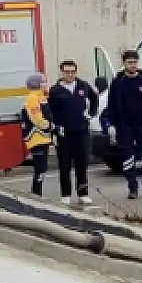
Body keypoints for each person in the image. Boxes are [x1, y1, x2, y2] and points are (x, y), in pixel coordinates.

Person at [107, 49, 142, 200]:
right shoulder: (118, 82)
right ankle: (132, 188)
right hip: (124, 125)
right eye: (129, 62)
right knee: (128, 157)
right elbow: (111, 104)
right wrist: (111, 124)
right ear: (124, 63)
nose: (133, 65)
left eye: (135, 62)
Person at [46, 59, 100, 207]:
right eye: (67, 72)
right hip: (63, 133)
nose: (70, 74)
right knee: (64, 165)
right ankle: (66, 194)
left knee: (82, 163)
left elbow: (94, 98)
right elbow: (49, 111)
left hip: (81, 130)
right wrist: (55, 127)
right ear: (61, 72)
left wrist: (91, 113)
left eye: (72, 72)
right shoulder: (55, 90)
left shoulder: (83, 85)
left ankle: (83, 193)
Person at [19, 73, 54, 197]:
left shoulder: (41, 97)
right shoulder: (33, 98)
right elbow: (36, 118)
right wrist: (49, 125)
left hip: (42, 138)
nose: (46, 84)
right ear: (37, 84)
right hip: (36, 137)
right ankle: (36, 194)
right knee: (40, 168)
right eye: (43, 82)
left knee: (43, 168)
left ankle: (37, 193)